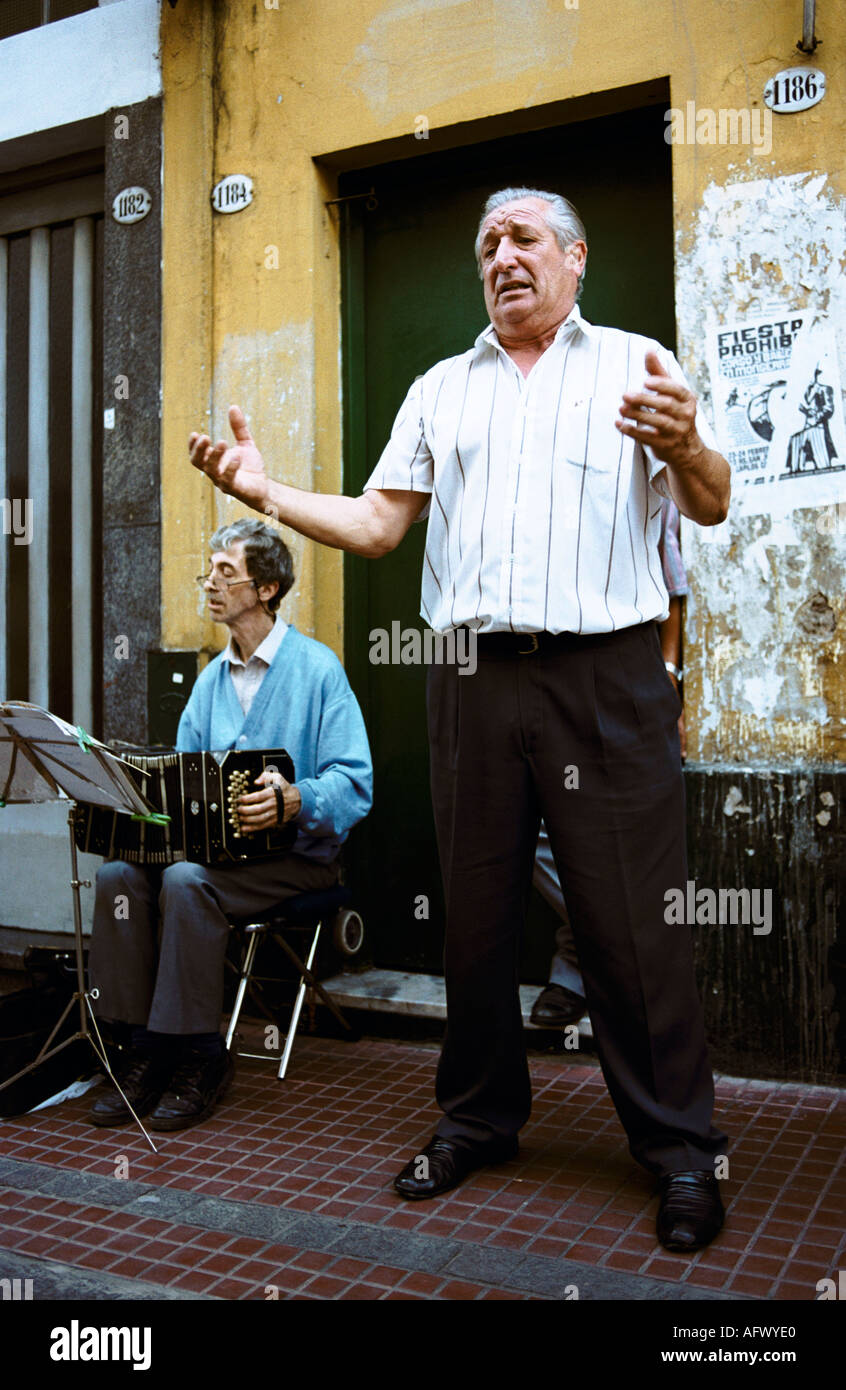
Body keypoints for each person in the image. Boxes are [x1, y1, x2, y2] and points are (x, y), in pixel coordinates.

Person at [188, 188, 731, 1251]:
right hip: (473, 674)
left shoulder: (636, 363)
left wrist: (698, 442)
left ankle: (679, 1148)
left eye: (525, 238)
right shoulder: (442, 388)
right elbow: (380, 525)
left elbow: (708, 501)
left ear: (576, 257)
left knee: (633, 923)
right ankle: (479, 1114)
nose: (503, 256)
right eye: (487, 243)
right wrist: (268, 492)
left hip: (607, 675)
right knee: (476, 914)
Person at [87, 518, 372, 1131]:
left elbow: (356, 784)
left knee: (188, 882)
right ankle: (138, 1048)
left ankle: (197, 1054)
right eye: (208, 571)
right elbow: (183, 777)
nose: (210, 584)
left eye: (225, 572)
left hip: (295, 861)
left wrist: (296, 799)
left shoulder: (319, 671)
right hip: (216, 857)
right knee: (116, 875)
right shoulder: (211, 680)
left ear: (266, 587)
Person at [531, 497, 687, 1028]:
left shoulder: (642, 462)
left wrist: (667, 673)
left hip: (621, 674)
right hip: (523, 675)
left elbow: (674, 585)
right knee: (533, 836)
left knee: (612, 834)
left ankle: (579, 971)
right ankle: (592, 957)